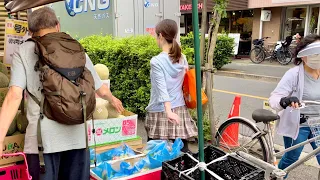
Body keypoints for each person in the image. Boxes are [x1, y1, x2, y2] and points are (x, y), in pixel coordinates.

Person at [0, 7, 124, 180]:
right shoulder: (75, 48)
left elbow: (14, 95)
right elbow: (99, 87)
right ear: (58, 25)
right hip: (78, 138)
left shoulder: (24, 51)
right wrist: (112, 98)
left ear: (30, 31)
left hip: (44, 144)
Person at [269, 34, 320, 177]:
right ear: (303, 55)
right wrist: (285, 100)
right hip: (299, 124)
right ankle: (277, 176)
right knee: (292, 158)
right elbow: (275, 98)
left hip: (318, 124)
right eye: (315, 52)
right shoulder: (294, 74)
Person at [144, 19, 198, 152]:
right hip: (179, 108)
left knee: (155, 153)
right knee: (182, 151)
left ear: (161, 36)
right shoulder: (182, 57)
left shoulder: (156, 61)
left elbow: (162, 90)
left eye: (156, 35)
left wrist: (168, 111)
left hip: (160, 110)